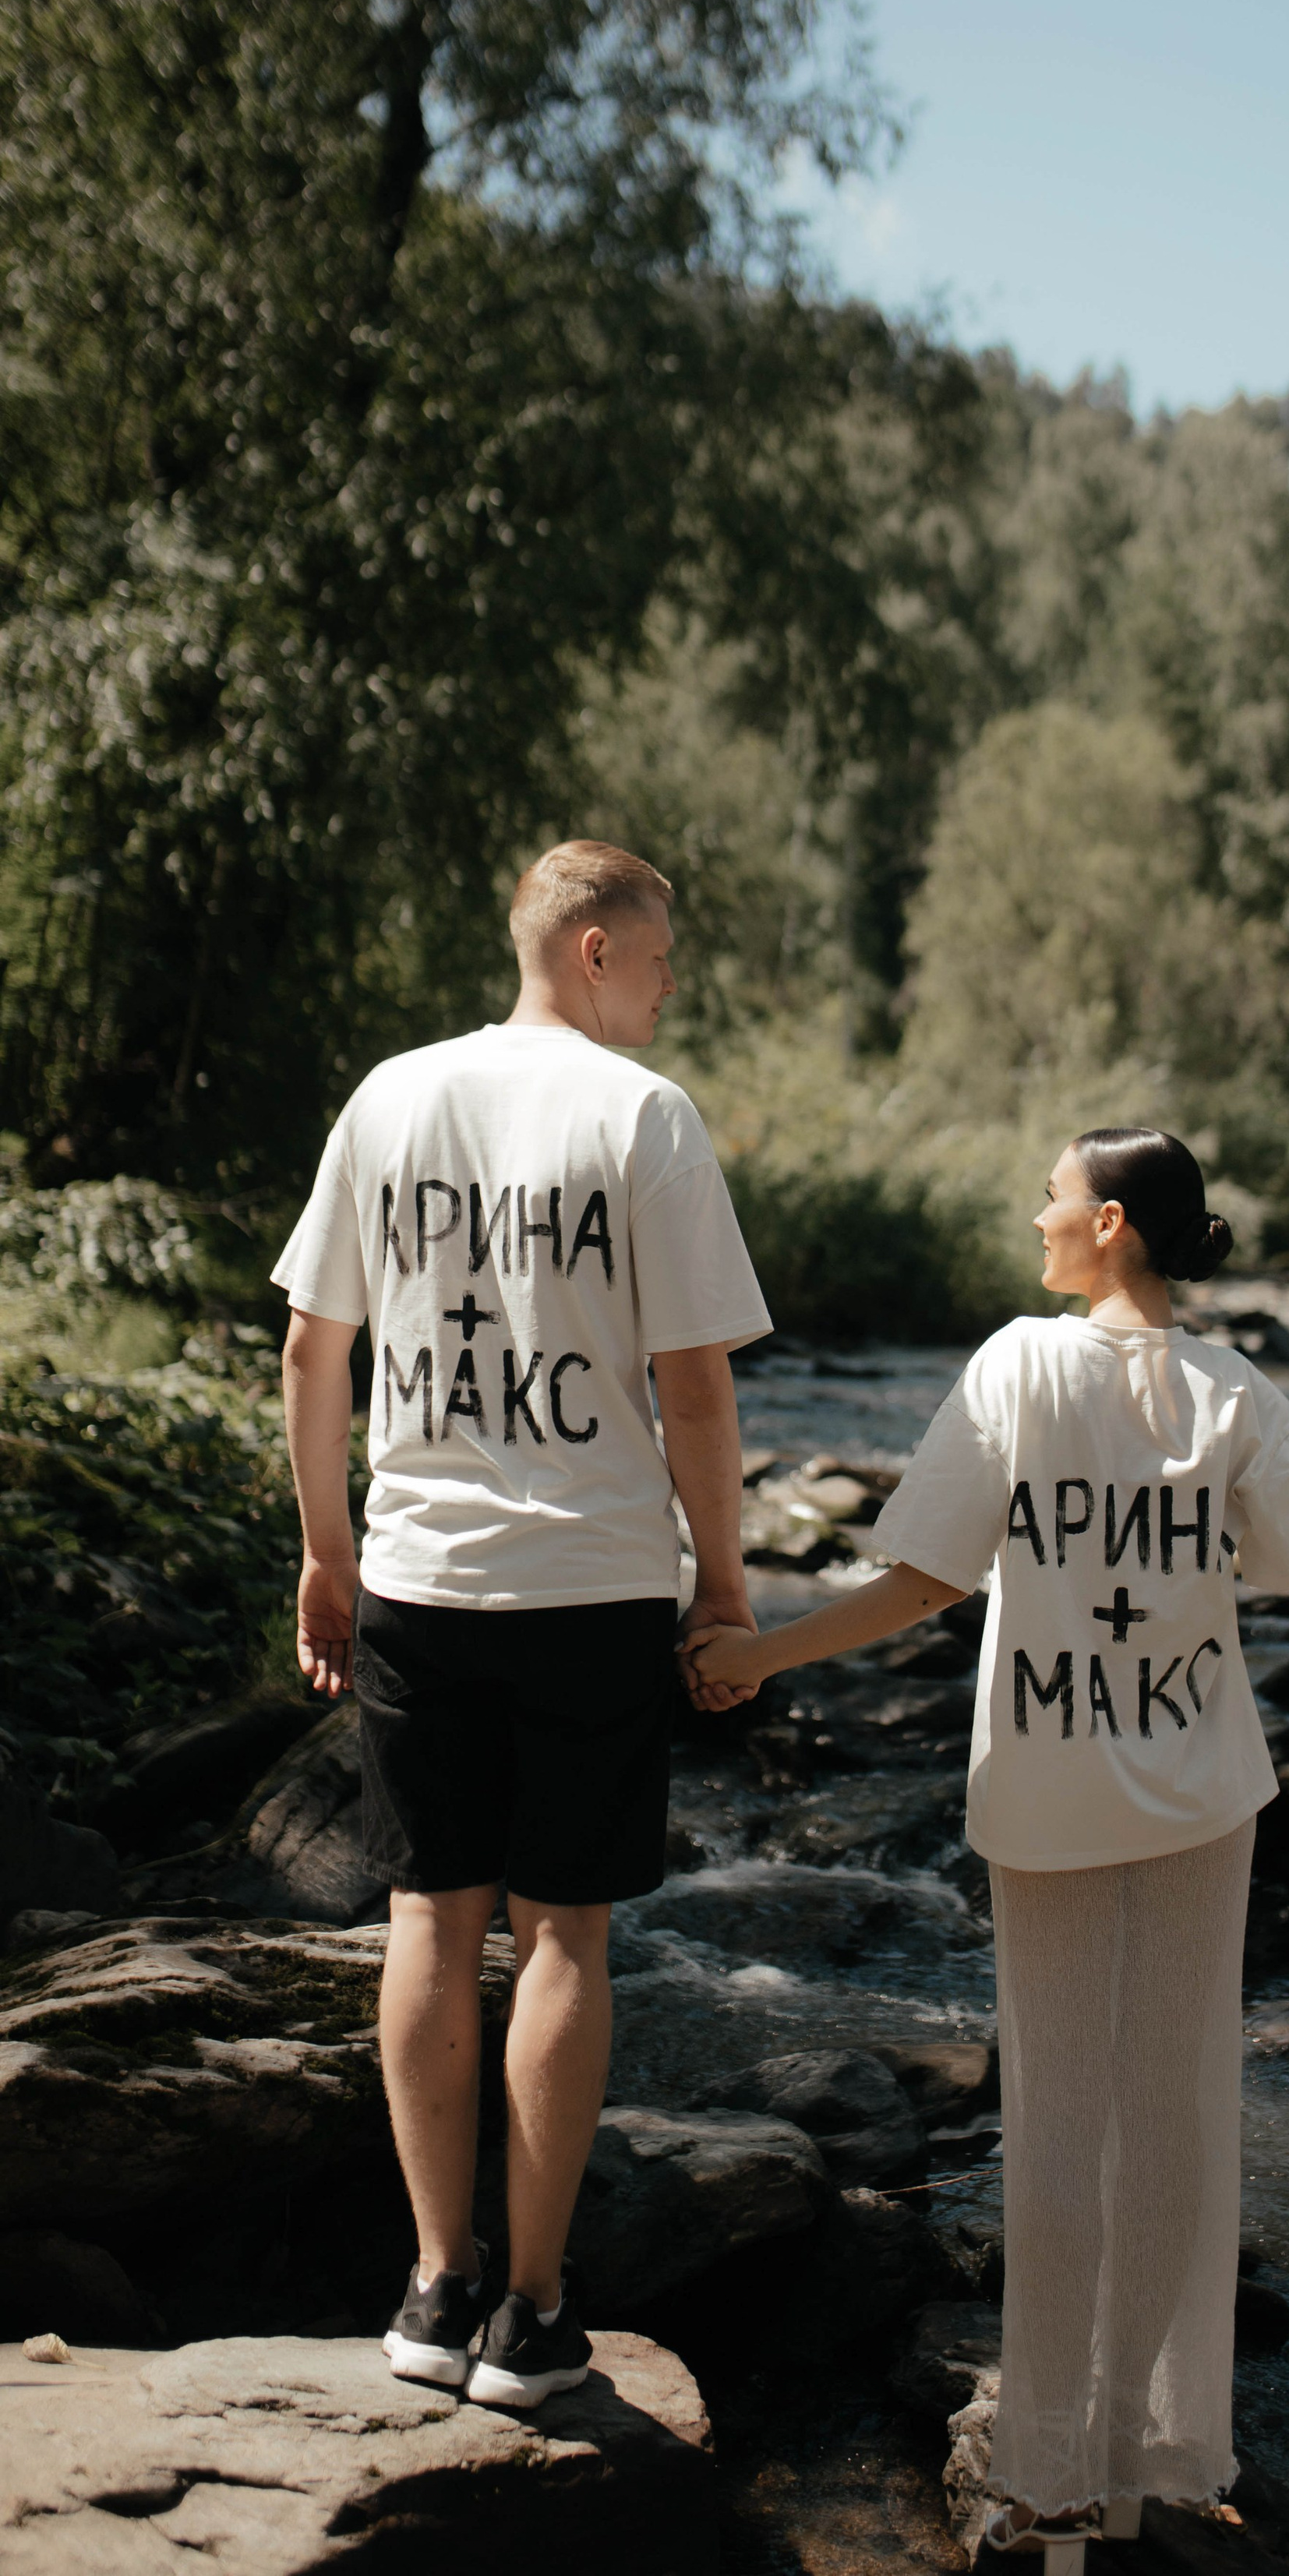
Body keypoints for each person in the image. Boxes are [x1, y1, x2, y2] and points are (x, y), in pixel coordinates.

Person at [683, 1124, 1289, 2560]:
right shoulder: (1236, 1396)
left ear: (1107, 1224)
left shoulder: (1017, 1368)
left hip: (1045, 1796)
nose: (1035, 1218)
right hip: (1201, 1798)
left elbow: (919, 1582)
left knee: (1054, 2120)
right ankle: (1149, 2456)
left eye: (1051, 1200)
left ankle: (1043, 2481)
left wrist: (761, 1652)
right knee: (1174, 2115)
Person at [274, 839, 770, 2409]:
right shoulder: (645, 1118)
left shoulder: (390, 1095)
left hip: (420, 1578)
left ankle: (432, 2290)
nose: (674, 980)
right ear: (597, 950)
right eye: (662, 950)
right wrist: (726, 1583)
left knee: (429, 1917)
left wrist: (326, 1553)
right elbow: (693, 1378)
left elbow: (310, 1346)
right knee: (565, 1934)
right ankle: (536, 2311)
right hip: (591, 1584)